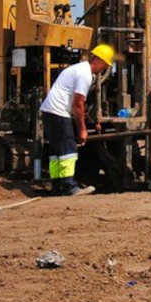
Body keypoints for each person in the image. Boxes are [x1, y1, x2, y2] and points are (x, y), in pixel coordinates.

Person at [39, 44, 114, 196]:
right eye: (104, 64)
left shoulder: (78, 69)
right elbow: (78, 104)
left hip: (49, 111)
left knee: (56, 153)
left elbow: (79, 103)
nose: (104, 68)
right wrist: (82, 130)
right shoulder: (84, 74)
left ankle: (58, 186)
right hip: (58, 112)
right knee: (68, 150)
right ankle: (69, 187)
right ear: (97, 59)